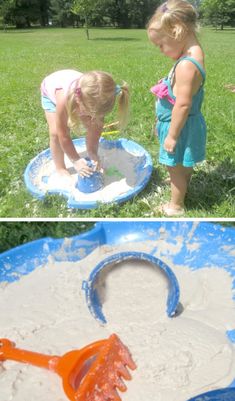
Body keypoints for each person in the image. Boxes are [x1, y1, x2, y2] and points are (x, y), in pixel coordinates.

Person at [147, 0, 206, 216]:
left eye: (161, 44)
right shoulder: (193, 55)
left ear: (177, 31)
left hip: (179, 127)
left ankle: (176, 206)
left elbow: (182, 104)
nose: (161, 50)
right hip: (187, 124)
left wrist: (171, 135)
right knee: (182, 165)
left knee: (174, 168)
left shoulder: (186, 65)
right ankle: (183, 182)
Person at [40, 69, 129, 177]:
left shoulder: (100, 97)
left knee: (95, 124)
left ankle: (91, 151)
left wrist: (92, 153)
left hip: (82, 96)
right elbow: (63, 135)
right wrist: (76, 160)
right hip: (51, 93)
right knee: (55, 133)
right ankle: (60, 168)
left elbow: (96, 130)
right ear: (79, 101)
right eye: (90, 113)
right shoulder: (63, 99)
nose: (92, 117)